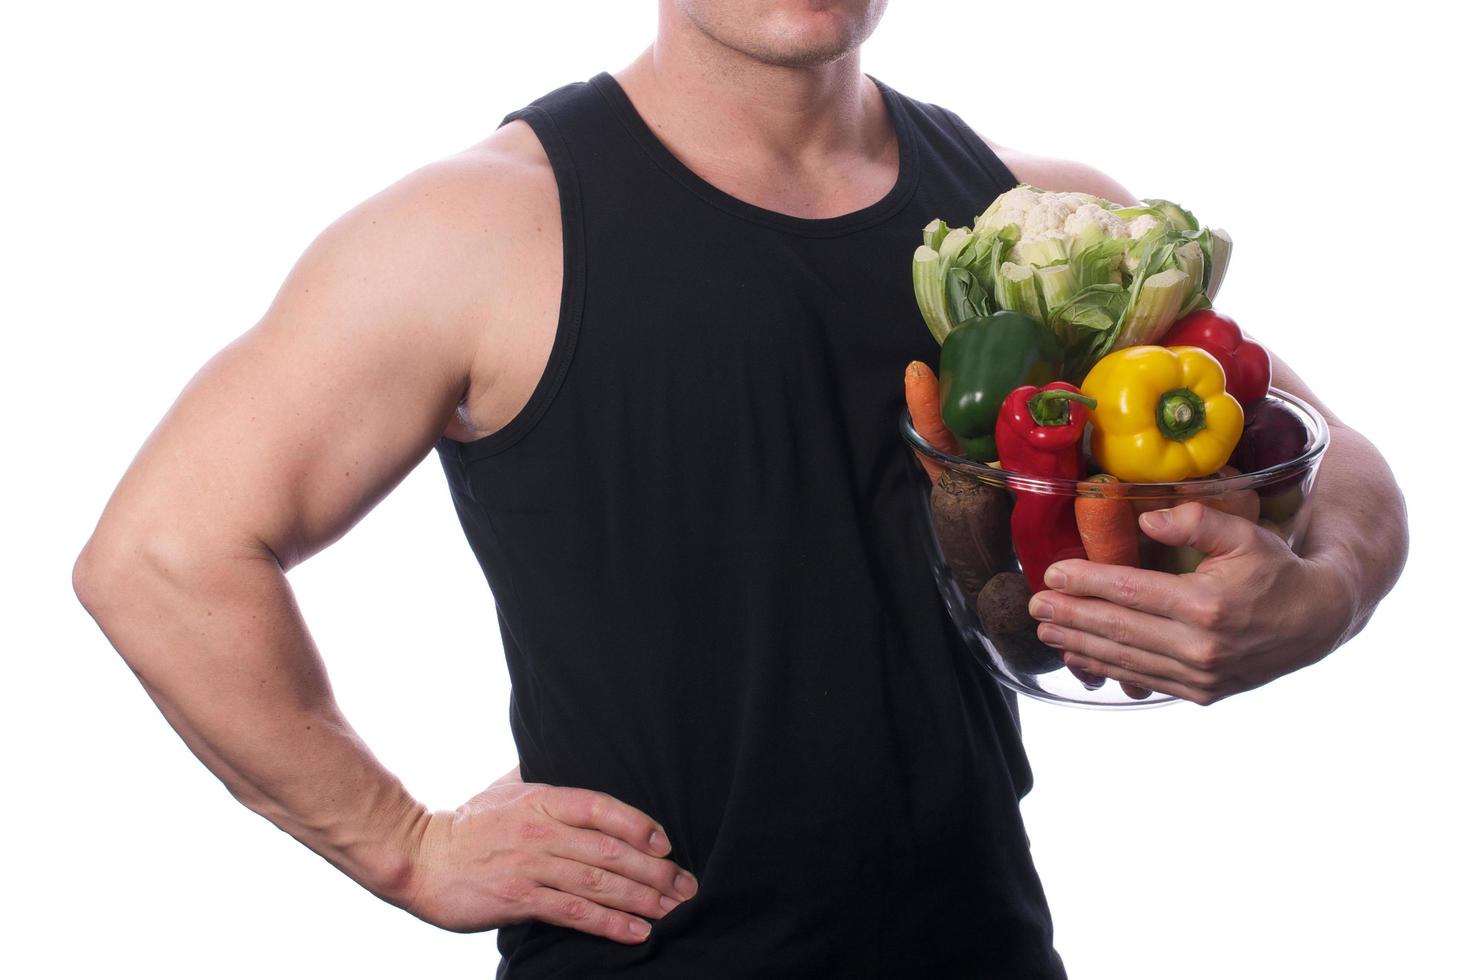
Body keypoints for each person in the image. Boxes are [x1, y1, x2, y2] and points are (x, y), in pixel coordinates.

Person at [72, 1, 1407, 976]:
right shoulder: (474, 229)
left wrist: (1323, 591)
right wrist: (399, 845)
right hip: (651, 956)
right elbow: (163, 557)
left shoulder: (1036, 221)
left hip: (984, 946)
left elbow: (1332, 455)